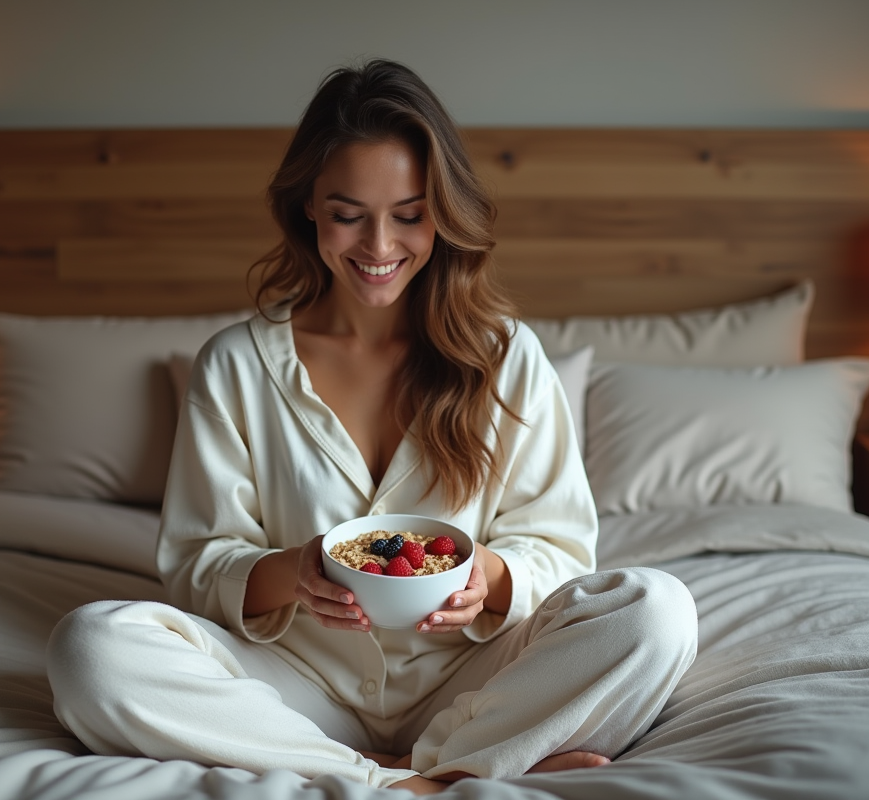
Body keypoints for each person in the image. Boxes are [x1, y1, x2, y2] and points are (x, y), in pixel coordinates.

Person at [46, 59, 697, 795]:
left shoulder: (507, 356)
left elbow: (562, 545)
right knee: (92, 648)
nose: (379, 245)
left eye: (410, 213)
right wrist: (290, 572)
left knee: (658, 612)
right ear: (309, 210)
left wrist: (489, 574)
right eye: (348, 212)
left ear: (441, 214)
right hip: (295, 684)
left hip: (475, 678)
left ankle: (396, 769)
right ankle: (427, 779)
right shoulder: (235, 364)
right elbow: (197, 563)